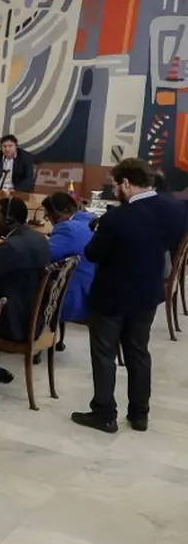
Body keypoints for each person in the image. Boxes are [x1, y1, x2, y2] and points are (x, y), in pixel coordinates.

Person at [72, 158, 186, 433]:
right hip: (147, 292)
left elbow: (92, 254)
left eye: (115, 185)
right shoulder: (174, 208)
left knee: (104, 354)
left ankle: (104, 413)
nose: (114, 190)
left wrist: (98, 231)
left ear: (126, 183)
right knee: (138, 353)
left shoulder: (116, 218)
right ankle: (139, 414)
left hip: (111, 295)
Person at [0, 196, 50, 387]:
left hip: (12, 322)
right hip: (36, 316)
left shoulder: (10, 247)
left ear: (8, 220)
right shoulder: (38, 237)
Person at [41, 192, 95, 325]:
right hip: (92, 287)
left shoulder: (68, 228)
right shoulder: (89, 219)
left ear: (57, 215)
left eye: (47, 216)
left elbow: (43, 256)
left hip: (74, 295)